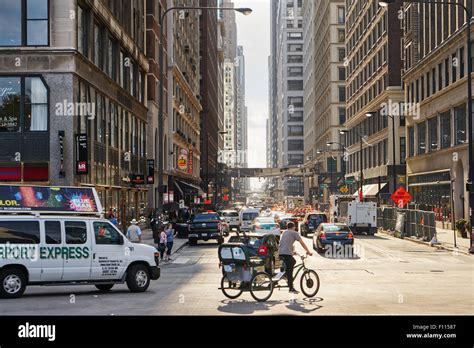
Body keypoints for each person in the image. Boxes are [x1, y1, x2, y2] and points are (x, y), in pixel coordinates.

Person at [278, 221, 312, 294]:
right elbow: (302, 243)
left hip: (281, 252)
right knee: (291, 265)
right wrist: (308, 251)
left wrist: (292, 252)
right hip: (286, 253)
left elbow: (285, 243)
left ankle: (285, 274)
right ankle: (291, 287)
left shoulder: (284, 232)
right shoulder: (294, 233)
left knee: (290, 263)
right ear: (293, 227)